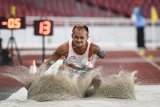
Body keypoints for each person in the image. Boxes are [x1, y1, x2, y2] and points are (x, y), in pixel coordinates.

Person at [38, 24, 105, 73]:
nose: (79, 40)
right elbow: (48, 63)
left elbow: (100, 51)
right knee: (62, 69)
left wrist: (101, 53)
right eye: (76, 37)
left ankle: (94, 92)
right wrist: (36, 76)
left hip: (85, 71)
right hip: (69, 72)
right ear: (72, 36)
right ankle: (61, 90)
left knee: (97, 74)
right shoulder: (64, 48)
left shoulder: (92, 47)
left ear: (87, 37)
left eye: (82, 38)